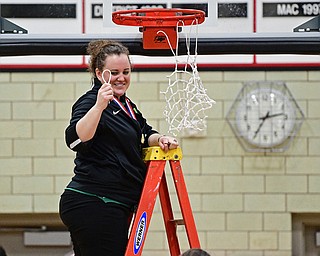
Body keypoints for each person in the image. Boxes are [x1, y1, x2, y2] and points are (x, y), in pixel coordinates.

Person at [59, 40, 179, 256]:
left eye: (126, 71)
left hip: (111, 203)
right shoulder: (90, 102)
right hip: (95, 201)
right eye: (114, 72)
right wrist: (98, 107)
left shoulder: (126, 104)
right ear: (99, 74)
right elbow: (75, 139)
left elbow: (145, 131)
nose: (121, 78)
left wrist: (160, 138)